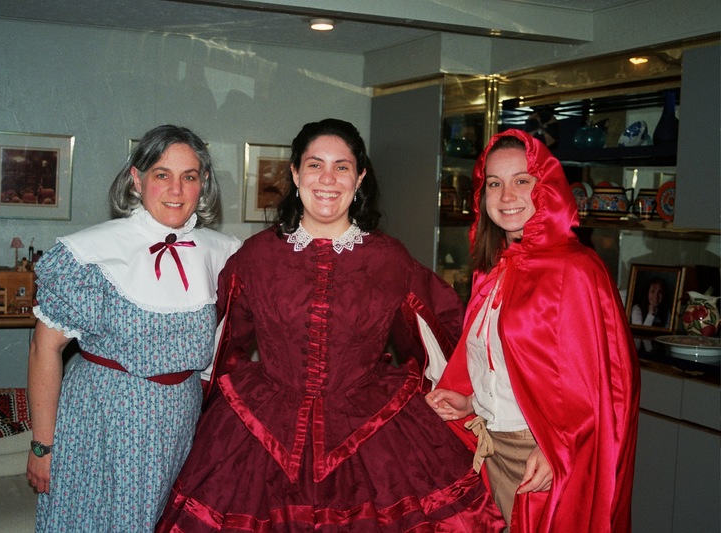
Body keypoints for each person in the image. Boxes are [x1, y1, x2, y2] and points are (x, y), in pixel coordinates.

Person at [156, 118, 505, 531]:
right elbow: (224, 343)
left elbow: (443, 330)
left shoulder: (389, 259)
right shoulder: (255, 256)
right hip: (261, 434)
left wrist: (462, 393)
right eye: (314, 165)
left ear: (359, 178)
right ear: (295, 174)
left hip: (373, 434)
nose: (327, 179)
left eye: (342, 167)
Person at [26, 125, 240, 531]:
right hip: (101, 423)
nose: (176, 189)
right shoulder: (90, 253)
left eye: (189, 176)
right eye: (162, 174)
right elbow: (44, 349)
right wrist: (43, 446)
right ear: (136, 180)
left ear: (204, 183)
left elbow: (217, 358)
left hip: (180, 425)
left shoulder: (223, 253)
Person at [426, 129, 640, 532]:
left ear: (547, 187)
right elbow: (515, 367)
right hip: (490, 446)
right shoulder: (494, 269)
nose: (507, 195)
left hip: (539, 457)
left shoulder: (575, 268)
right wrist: (471, 402)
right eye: (494, 183)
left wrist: (555, 445)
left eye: (522, 180)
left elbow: (599, 383)